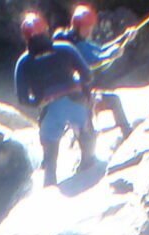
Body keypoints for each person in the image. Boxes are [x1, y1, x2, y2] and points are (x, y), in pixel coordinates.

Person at [13, 10, 93, 188]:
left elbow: (23, 99)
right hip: (75, 103)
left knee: (50, 162)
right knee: (85, 130)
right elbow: (87, 76)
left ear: (26, 39)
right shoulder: (65, 48)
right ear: (46, 30)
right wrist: (77, 87)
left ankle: (50, 180)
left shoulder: (23, 62)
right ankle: (88, 160)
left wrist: (39, 102)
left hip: (49, 110)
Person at [59, 4, 131, 136]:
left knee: (109, 102)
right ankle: (127, 133)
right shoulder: (77, 45)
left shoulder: (72, 39)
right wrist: (111, 54)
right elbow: (97, 59)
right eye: (89, 27)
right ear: (82, 27)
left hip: (73, 95)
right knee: (113, 101)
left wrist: (124, 38)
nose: (91, 31)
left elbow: (101, 49)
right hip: (78, 98)